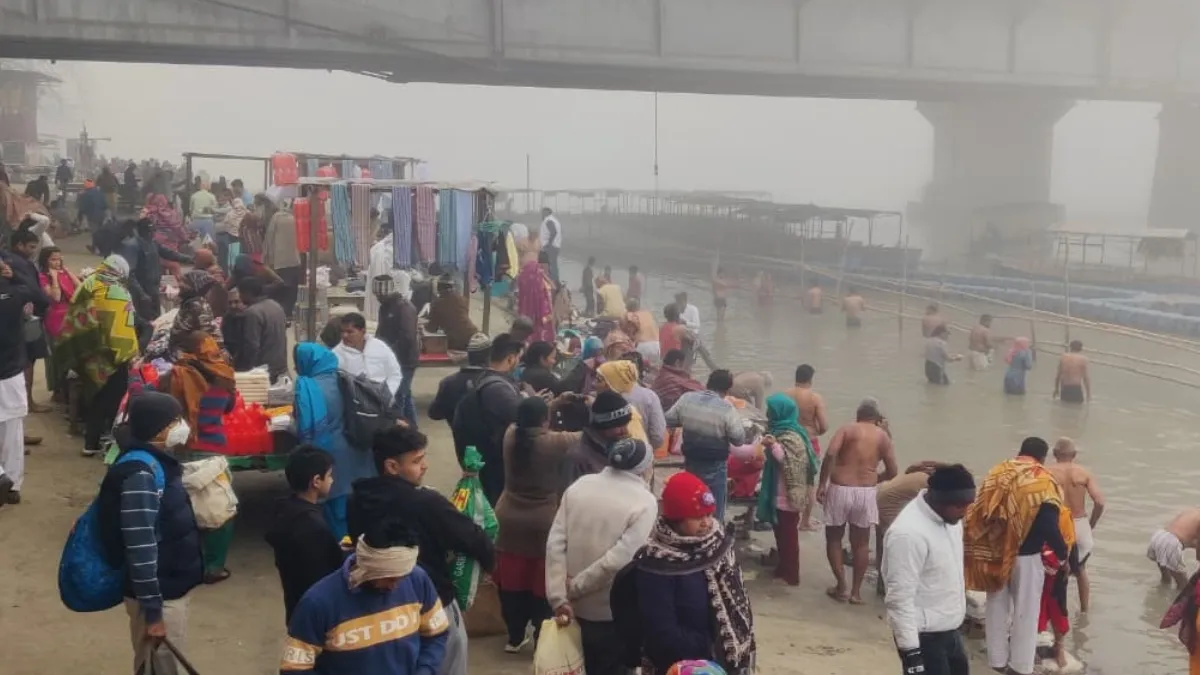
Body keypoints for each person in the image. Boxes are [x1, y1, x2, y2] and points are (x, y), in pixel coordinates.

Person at [347, 426, 494, 675]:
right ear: (392, 466)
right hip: (432, 604)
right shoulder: (425, 502)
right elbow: (473, 537)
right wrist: (489, 563)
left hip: (379, 610)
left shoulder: (356, 500)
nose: (425, 466)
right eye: (416, 461)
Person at [99, 392, 203, 675]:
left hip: (167, 585)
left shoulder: (154, 462)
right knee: (162, 666)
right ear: (157, 429)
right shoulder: (141, 474)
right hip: (159, 595)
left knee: (152, 665)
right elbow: (140, 546)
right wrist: (154, 613)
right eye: (174, 420)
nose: (181, 425)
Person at [620, 471, 757, 674]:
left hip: (726, 660)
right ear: (676, 519)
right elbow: (662, 635)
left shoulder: (718, 544)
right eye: (697, 517)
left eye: (709, 514)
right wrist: (710, 647)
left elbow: (740, 604)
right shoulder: (657, 566)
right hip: (681, 665)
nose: (707, 523)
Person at [280, 518, 450, 675]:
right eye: (390, 578)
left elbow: (436, 635)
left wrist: (425, 670)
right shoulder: (318, 603)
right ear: (368, 567)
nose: (396, 586)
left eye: (402, 577)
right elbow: (294, 669)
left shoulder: (417, 580)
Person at [547, 437, 657, 675]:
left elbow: (555, 543)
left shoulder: (580, 486)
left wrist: (558, 596)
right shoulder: (644, 502)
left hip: (569, 610)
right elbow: (618, 561)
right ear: (645, 468)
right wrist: (575, 588)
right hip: (609, 613)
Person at [964, 437, 1074, 675]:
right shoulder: (1043, 480)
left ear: (1020, 452)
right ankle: (1021, 666)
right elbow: (1048, 524)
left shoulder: (997, 473)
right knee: (1026, 610)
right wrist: (1062, 555)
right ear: (1042, 457)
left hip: (994, 552)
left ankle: (997, 660)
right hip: (1026, 555)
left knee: (996, 605)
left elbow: (978, 511)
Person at [494, 397, 581, 652]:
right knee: (541, 585)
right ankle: (541, 636)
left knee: (511, 583)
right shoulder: (554, 443)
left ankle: (514, 637)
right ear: (545, 420)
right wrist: (577, 402)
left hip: (508, 519)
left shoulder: (511, 435)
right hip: (543, 523)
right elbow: (585, 435)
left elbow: (529, 421)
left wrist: (549, 406)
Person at [883, 464, 977, 675]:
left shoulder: (952, 520)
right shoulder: (908, 534)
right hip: (924, 638)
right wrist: (911, 652)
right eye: (959, 505)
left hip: (951, 630)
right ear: (939, 498)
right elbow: (899, 598)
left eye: (968, 505)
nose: (965, 512)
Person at [160, 332, 238, 583]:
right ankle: (213, 567)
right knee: (218, 512)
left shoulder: (173, 376)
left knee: (182, 508)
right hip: (212, 451)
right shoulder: (223, 377)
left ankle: (182, 562)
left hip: (180, 449)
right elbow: (229, 407)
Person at [53, 255, 141, 457]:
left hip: (88, 350)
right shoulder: (116, 290)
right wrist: (129, 352)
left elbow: (76, 314)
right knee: (114, 397)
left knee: (95, 395)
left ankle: (90, 443)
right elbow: (122, 327)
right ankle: (109, 441)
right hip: (111, 353)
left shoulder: (89, 283)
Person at [816, 398, 898, 604]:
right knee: (861, 544)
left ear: (858, 414)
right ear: (877, 418)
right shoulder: (883, 436)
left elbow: (830, 454)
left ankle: (841, 586)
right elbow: (893, 471)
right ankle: (856, 593)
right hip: (865, 492)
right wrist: (874, 479)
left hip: (840, 488)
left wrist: (822, 484)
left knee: (834, 538)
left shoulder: (847, 429)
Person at [293, 342, 368, 540]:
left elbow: (304, 427)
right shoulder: (344, 378)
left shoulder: (307, 387)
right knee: (351, 502)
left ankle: (340, 546)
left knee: (333, 507)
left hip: (328, 451)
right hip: (355, 448)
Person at [266, 446, 344, 624]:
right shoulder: (312, 526)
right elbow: (322, 577)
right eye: (329, 475)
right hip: (316, 615)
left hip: (295, 606)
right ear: (316, 481)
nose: (332, 480)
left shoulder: (286, 511)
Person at [665, 370, 748, 523]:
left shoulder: (687, 399)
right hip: (715, 465)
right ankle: (714, 531)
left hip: (691, 461)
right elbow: (738, 440)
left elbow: (669, 419)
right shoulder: (727, 408)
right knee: (714, 505)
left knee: (693, 497)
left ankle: (691, 528)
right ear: (727, 390)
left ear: (707, 383)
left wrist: (689, 420)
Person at [450, 334, 524, 505]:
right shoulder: (498, 390)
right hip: (494, 464)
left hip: (482, 459)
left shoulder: (482, 380)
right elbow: (520, 420)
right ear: (510, 359)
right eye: (518, 358)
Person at [756, 394, 818, 586]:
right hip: (779, 491)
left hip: (789, 494)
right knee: (781, 534)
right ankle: (783, 568)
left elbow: (789, 461)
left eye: (771, 411)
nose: (768, 413)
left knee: (788, 536)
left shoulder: (792, 436)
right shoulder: (779, 431)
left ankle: (791, 575)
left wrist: (773, 445)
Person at [0, 254, 41, 504]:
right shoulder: (15, 293)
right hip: (11, 372)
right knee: (13, 432)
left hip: (10, 371)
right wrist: (15, 275)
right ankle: (12, 485)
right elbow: (41, 297)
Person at [1047, 437, 1104, 612]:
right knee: (1081, 571)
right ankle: (1084, 612)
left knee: (1055, 570)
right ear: (1074, 454)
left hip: (1058, 525)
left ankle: (1057, 613)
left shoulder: (1047, 472)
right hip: (1080, 524)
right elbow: (1100, 502)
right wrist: (1091, 524)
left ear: (1054, 453)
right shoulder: (1084, 473)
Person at [7, 228, 52, 413]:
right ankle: (28, 401)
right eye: (31, 247)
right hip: (25, 319)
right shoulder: (20, 265)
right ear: (19, 245)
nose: (34, 251)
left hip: (16, 317)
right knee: (28, 361)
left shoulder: (10, 261)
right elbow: (34, 291)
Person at [784, 364, 828, 531]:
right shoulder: (815, 398)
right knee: (809, 482)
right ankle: (805, 522)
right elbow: (824, 426)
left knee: (788, 479)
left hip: (788, 440)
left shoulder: (785, 395)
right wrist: (814, 431)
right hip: (808, 442)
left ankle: (788, 517)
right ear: (810, 379)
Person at [376, 275, 421, 426]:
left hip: (405, 360)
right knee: (405, 396)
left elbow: (407, 337)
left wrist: (389, 353)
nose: (378, 299)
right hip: (392, 359)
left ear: (387, 293)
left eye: (380, 296)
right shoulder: (384, 307)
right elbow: (381, 331)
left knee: (398, 398)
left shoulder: (405, 308)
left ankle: (399, 433)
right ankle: (413, 429)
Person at [334, 311, 405, 407]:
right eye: (342, 331)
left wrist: (388, 394)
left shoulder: (379, 346)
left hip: (383, 404)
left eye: (350, 332)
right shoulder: (336, 354)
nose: (344, 335)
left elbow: (395, 374)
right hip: (355, 407)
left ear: (363, 331)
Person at [38, 245, 80, 398]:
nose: (57, 262)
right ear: (45, 261)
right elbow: (55, 297)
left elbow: (80, 288)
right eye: (53, 260)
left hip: (70, 316)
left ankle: (68, 388)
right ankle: (57, 389)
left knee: (71, 353)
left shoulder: (64, 273)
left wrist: (69, 273)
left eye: (59, 259)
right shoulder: (43, 277)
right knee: (56, 355)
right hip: (55, 319)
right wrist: (55, 278)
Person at [597, 359, 665, 449]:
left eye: (599, 380)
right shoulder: (650, 396)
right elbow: (658, 436)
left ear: (612, 379)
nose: (594, 384)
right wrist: (646, 448)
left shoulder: (604, 403)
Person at [428, 333, 492, 428]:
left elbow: (434, 413)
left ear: (468, 356)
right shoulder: (495, 382)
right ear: (489, 357)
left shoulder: (448, 383)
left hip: (459, 434)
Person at [233, 277, 288, 381]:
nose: (240, 297)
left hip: (263, 371)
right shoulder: (276, 305)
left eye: (240, 293)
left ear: (247, 293)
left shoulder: (252, 313)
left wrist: (244, 370)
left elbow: (252, 346)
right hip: (280, 366)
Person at [263, 202, 301, 319]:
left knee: (280, 290)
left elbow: (269, 240)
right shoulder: (295, 218)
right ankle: (288, 315)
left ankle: (280, 316)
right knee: (291, 292)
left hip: (279, 262)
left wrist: (267, 259)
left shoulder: (276, 218)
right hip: (295, 260)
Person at [1149, 508, 1200, 588]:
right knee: (1183, 584)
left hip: (1159, 536)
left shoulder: (1194, 511)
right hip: (1170, 542)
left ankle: (1161, 593)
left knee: (1166, 579)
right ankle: (1174, 596)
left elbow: (1186, 537)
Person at [426, 278, 479, 352]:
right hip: (474, 335)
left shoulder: (437, 303)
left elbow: (431, 328)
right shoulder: (461, 299)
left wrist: (422, 326)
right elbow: (458, 318)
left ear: (438, 289)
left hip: (458, 341)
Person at [142, 194, 190, 270]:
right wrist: (185, 238)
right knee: (175, 268)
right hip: (170, 244)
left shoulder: (146, 213)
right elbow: (178, 228)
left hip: (154, 246)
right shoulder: (170, 213)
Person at [517, 252, 556, 343]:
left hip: (536, 316)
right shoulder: (538, 281)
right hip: (540, 316)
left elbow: (553, 288)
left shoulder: (534, 277)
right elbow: (553, 288)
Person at [623, 298, 661, 366]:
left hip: (643, 345)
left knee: (639, 368)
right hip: (656, 345)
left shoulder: (631, 315)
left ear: (628, 308)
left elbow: (630, 334)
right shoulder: (648, 314)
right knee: (654, 368)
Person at [540, 206, 563, 284]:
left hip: (551, 247)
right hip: (555, 246)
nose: (541, 214)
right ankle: (555, 281)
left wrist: (548, 244)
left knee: (550, 265)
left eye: (543, 212)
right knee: (553, 264)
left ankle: (553, 282)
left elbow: (554, 232)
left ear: (546, 212)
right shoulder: (554, 220)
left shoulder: (549, 220)